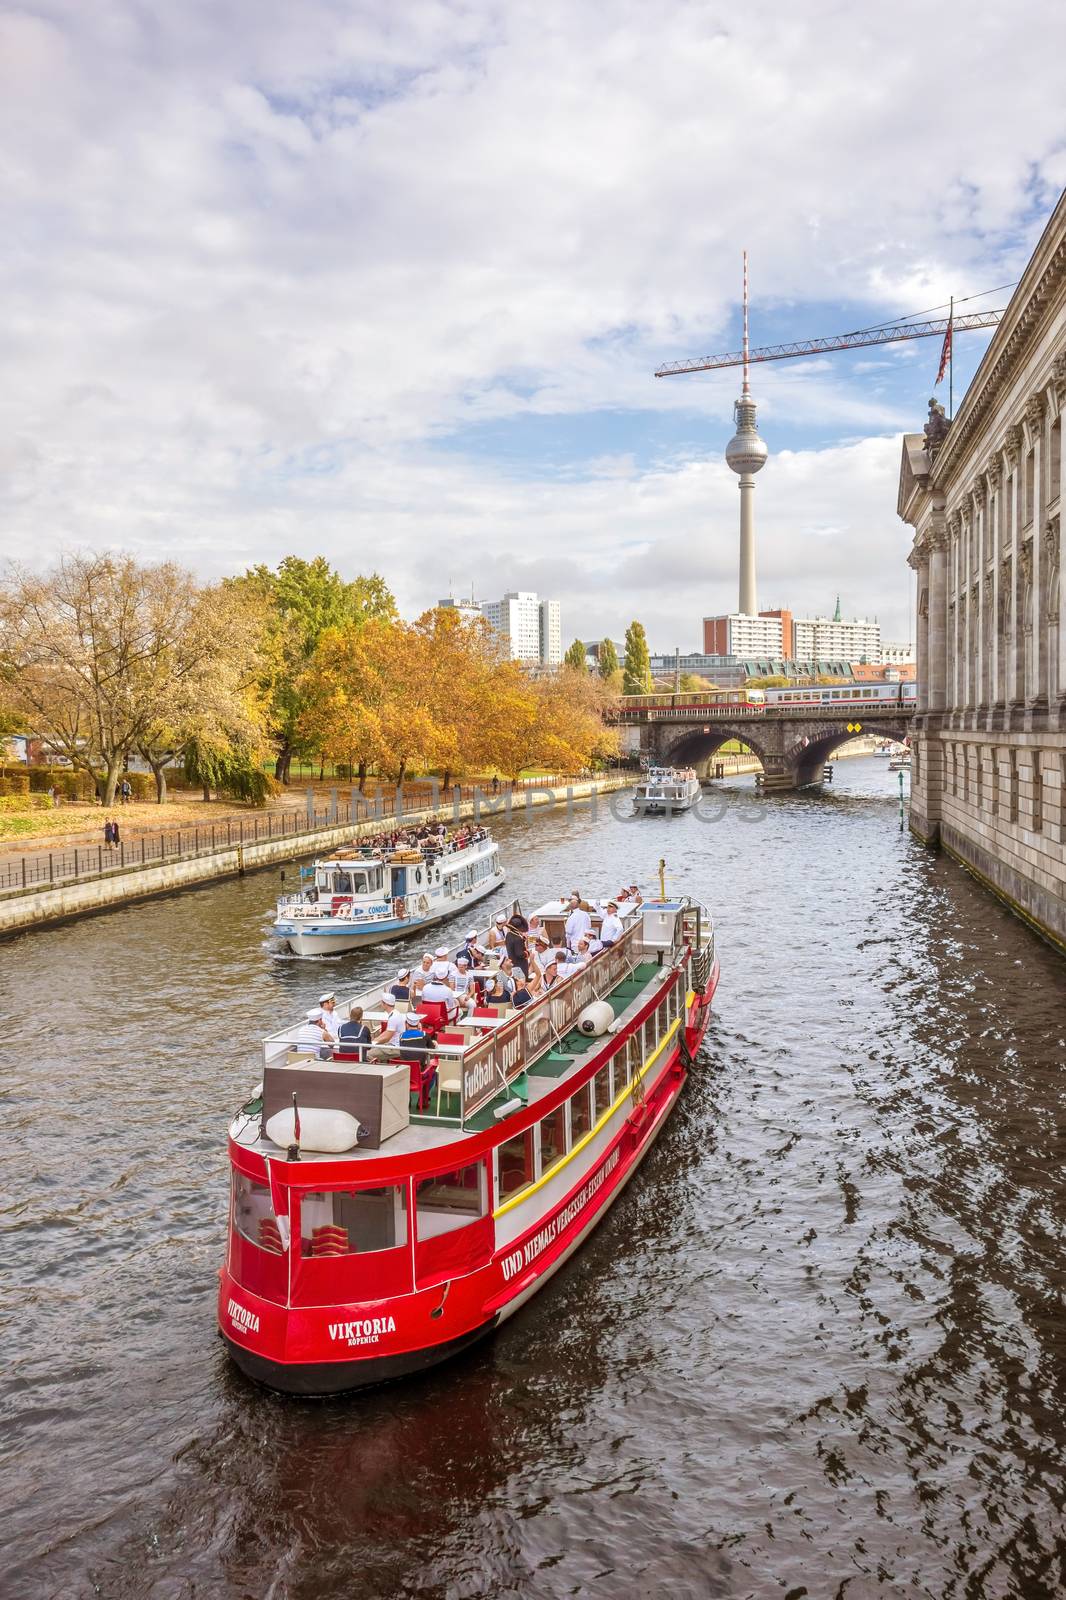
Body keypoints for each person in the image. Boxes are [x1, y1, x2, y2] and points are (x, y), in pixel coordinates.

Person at [367, 995, 406, 1061]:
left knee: (367, 1054)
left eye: (382, 1002)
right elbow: (387, 1032)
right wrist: (375, 1040)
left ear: (385, 1004)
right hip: (393, 1045)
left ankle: (376, 1067)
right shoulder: (395, 1014)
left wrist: (374, 1043)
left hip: (394, 1047)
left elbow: (387, 1038)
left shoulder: (393, 1017)